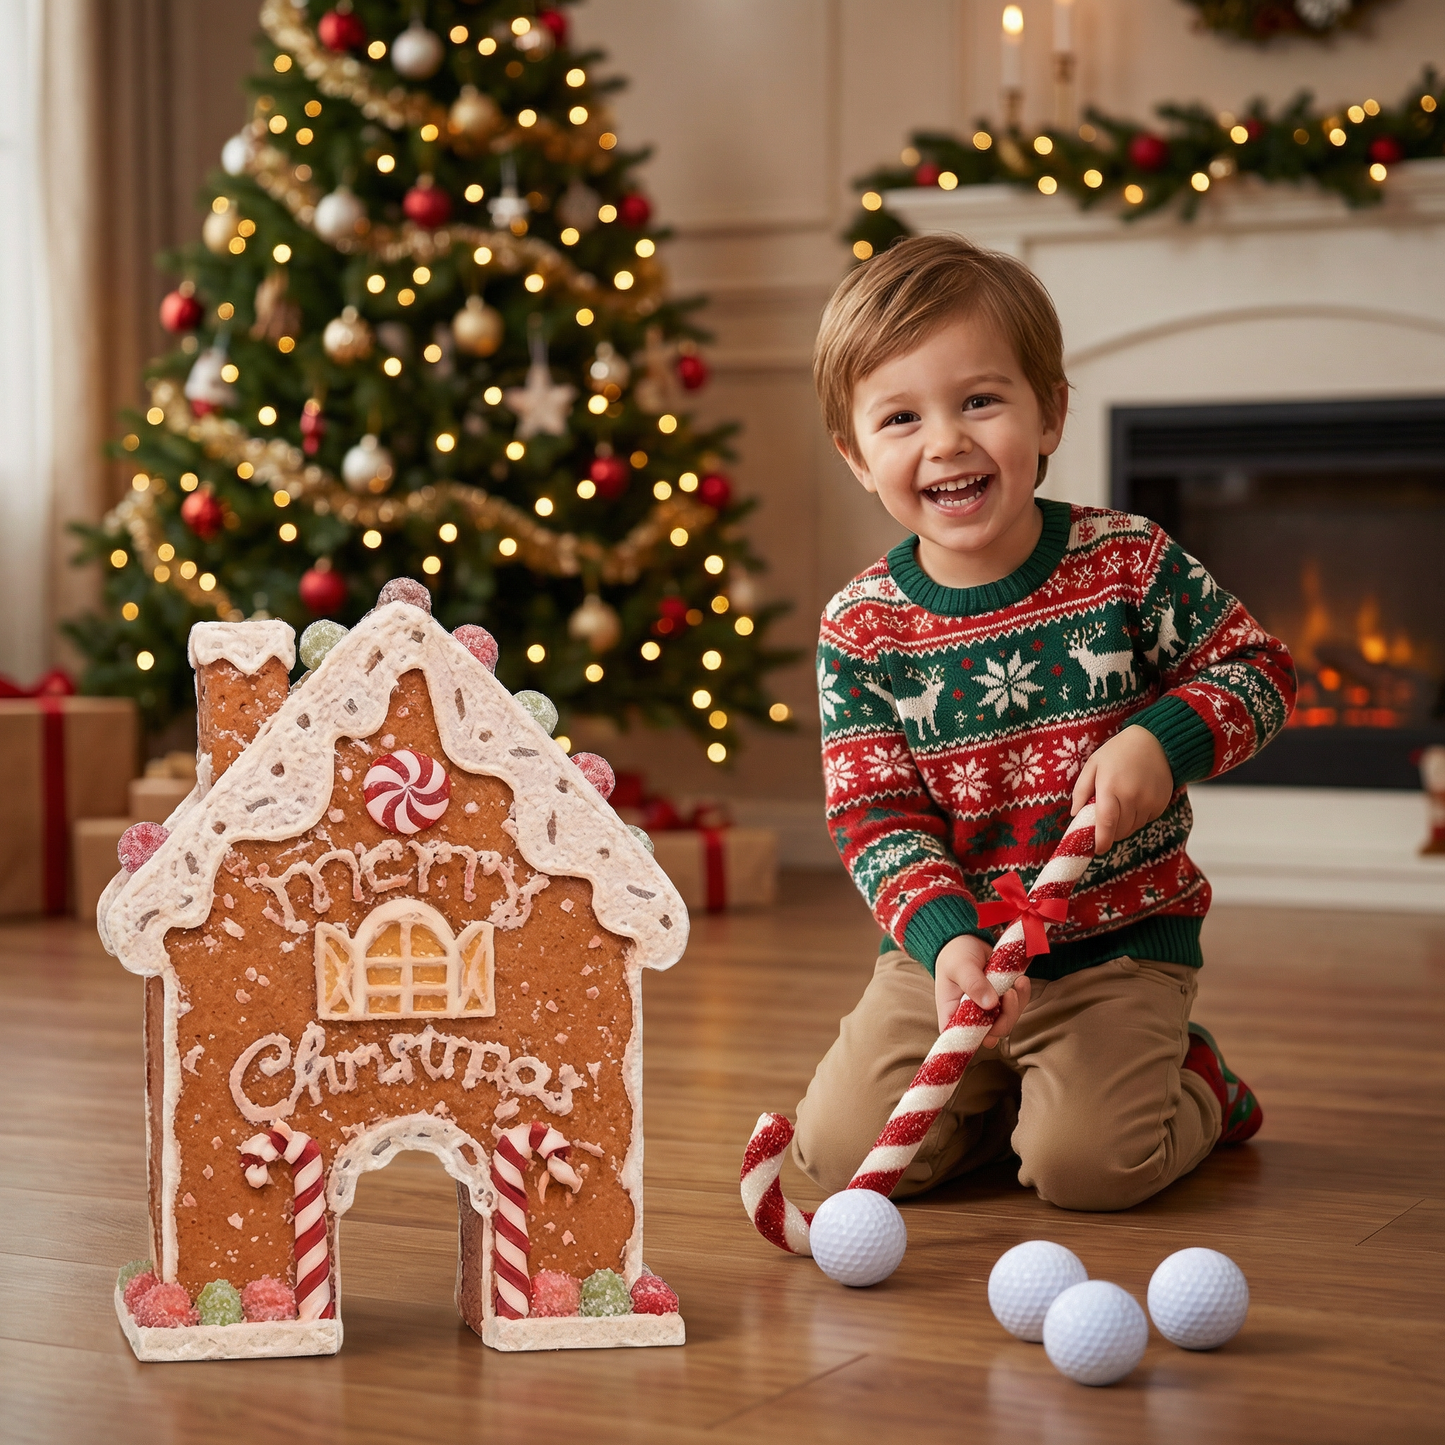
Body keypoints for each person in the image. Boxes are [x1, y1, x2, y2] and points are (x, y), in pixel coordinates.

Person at [796, 234, 1295, 1210]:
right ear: (856, 455)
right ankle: (1007, 1107)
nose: (945, 441)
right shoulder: (861, 628)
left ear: (1049, 412)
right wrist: (947, 943)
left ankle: (1196, 1081)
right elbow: (873, 817)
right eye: (900, 417)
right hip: (946, 960)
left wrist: (1162, 740)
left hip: (1113, 948)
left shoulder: (1126, 562)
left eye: (979, 400)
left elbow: (1258, 670)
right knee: (842, 1157)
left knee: (1087, 1171)